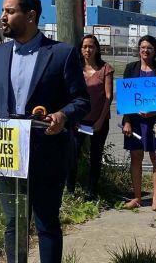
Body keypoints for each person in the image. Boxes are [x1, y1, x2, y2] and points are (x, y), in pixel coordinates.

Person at [0, 0, 90, 263]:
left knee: (46, 224)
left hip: (48, 153)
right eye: (3, 10)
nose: (2, 17)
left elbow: (81, 100)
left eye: (10, 11)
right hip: (8, 154)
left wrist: (62, 116)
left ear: (30, 16)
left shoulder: (61, 53)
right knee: (13, 224)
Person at [121, 35, 156, 210]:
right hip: (134, 121)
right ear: (138, 50)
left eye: (149, 47)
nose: (145, 50)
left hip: (155, 121)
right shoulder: (130, 69)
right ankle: (137, 197)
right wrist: (127, 121)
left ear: (155, 50)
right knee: (136, 157)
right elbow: (125, 98)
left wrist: (153, 112)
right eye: (142, 47)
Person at [66, 34, 114, 200]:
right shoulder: (75, 68)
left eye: (91, 46)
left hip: (98, 121)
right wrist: (73, 118)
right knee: (72, 156)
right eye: (84, 46)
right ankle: (70, 190)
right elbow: (69, 94)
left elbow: (108, 96)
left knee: (95, 156)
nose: (87, 50)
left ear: (97, 48)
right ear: (80, 49)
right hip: (77, 121)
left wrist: (101, 120)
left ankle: (91, 191)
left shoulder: (105, 69)